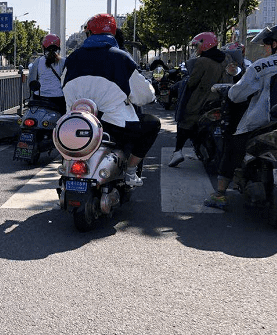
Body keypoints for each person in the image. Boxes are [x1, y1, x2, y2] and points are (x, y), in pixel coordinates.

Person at [62, 13, 161, 187]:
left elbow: (64, 88)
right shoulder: (121, 58)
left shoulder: (72, 59)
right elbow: (143, 95)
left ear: (89, 34)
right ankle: (130, 171)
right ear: (113, 34)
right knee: (153, 124)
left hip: (77, 126)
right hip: (114, 126)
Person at [205, 26, 277, 209]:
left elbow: (236, 95)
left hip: (263, 122)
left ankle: (220, 193)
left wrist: (230, 92)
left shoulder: (261, 65)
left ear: (275, 45)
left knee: (233, 144)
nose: (264, 49)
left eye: (267, 45)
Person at [168, 32, 227, 167]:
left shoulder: (202, 61)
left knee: (184, 122)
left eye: (197, 45)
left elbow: (192, 82)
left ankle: (177, 152)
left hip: (201, 101)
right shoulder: (226, 58)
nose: (196, 49)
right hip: (221, 100)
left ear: (204, 44)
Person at [27, 33, 66, 114]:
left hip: (39, 97)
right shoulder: (63, 62)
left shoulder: (38, 61)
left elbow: (31, 80)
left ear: (43, 47)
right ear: (58, 48)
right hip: (58, 98)